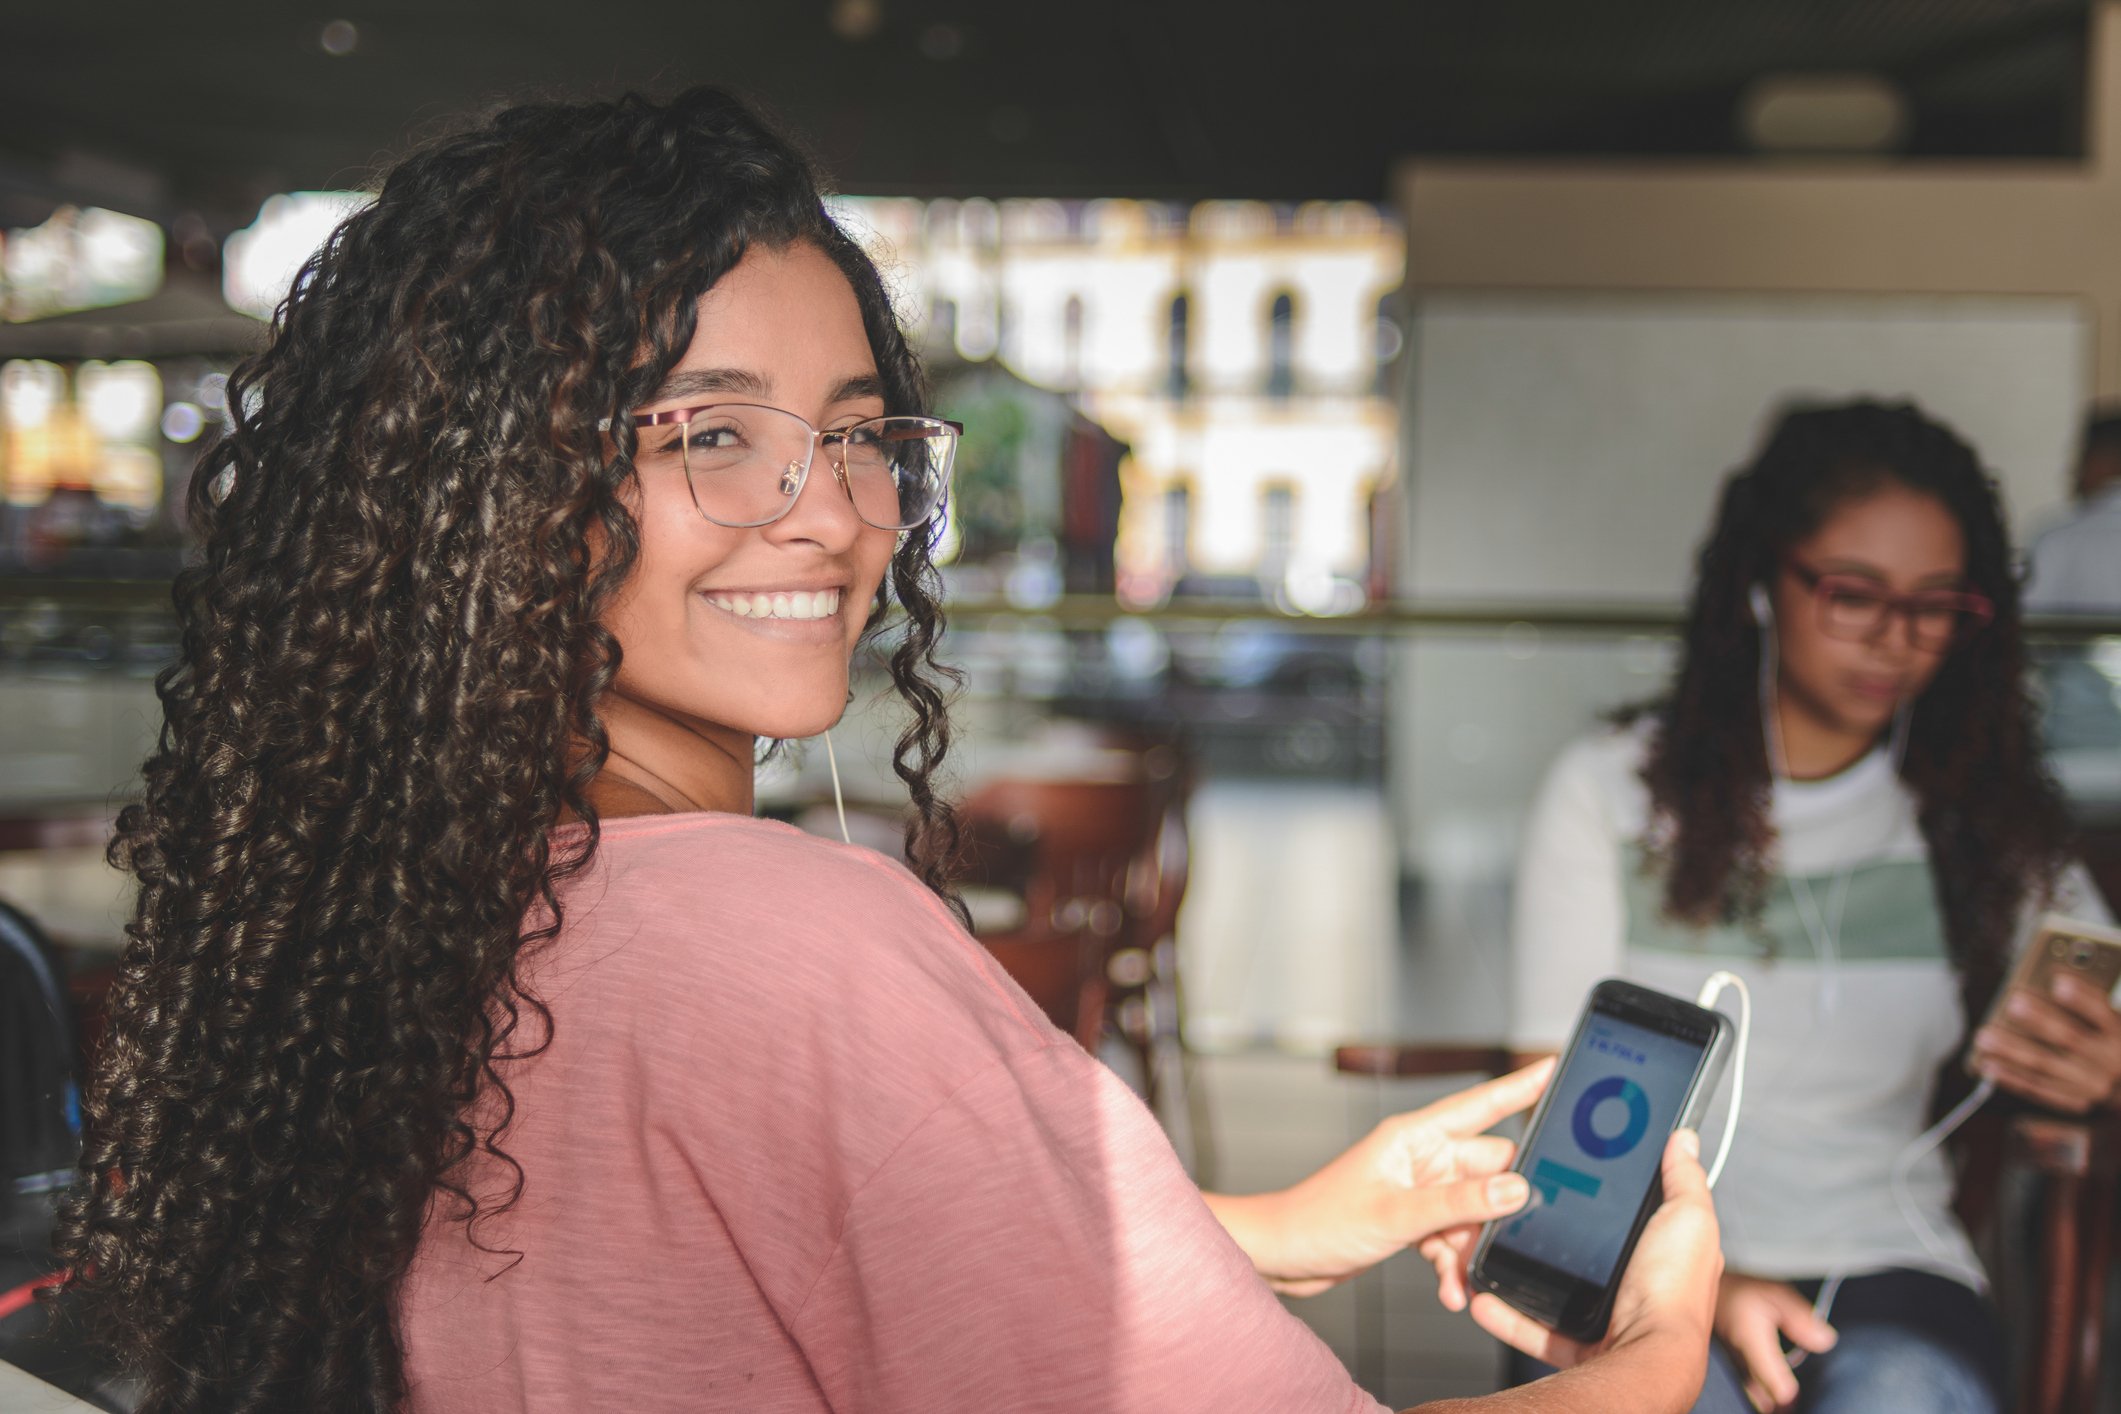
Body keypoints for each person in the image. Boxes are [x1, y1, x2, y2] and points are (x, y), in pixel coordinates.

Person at [49, 90, 1722, 1413]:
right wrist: (1653, 1352)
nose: (836, 513)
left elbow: (686, 1284)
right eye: (712, 433)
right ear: (498, 495)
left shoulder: (420, 898)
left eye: (857, 431)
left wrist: (1269, 1229)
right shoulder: (802, 949)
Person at [1511, 399, 2121, 1414]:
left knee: (1906, 1390)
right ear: (1761, 582)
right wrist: (1705, 1289)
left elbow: (2099, 975)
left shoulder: (1977, 819)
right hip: (1627, 1253)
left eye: (1936, 603)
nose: (1898, 638)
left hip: (1890, 1262)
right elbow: (1545, 1101)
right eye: (1855, 593)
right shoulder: (1609, 793)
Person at [2025, 405, 2121, 614]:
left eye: (2082, 459)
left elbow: (2028, 625)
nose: (2073, 473)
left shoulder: (2058, 540)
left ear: (2102, 460)